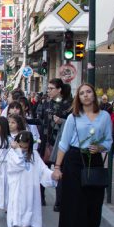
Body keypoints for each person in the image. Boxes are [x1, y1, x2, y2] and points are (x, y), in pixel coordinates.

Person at [52, 83, 112, 227]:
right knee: (76, 201)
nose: (86, 95)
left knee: (93, 201)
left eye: (88, 92)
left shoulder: (105, 116)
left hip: (94, 160)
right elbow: (64, 144)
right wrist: (57, 167)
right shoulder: (73, 117)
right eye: (82, 93)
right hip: (74, 159)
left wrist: (100, 147)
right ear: (78, 97)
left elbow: (108, 140)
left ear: (94, 94)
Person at [7, 131, 58, 227]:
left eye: (25, 147)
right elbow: (17, 165)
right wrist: (17, 150)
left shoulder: (34, 155)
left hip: (29, 188)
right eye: (21, 146)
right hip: (17, 187)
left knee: (27, 208)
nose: (23, 149)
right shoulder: (12, 153)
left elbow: (43, 169)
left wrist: (52, 175)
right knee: (17, 208)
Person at [42, 78, 72, 212]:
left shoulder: (69, 105)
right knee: (42, 170)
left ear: (59, 89)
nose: (48, 91)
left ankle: (59, 202)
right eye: (48, 89)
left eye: (51, 88)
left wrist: (62, 121)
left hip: (61, 143)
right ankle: (41, 197)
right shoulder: (45, 103)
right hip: (46, 141)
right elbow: (41, 120)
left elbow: (73, 123)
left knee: (60, 172)